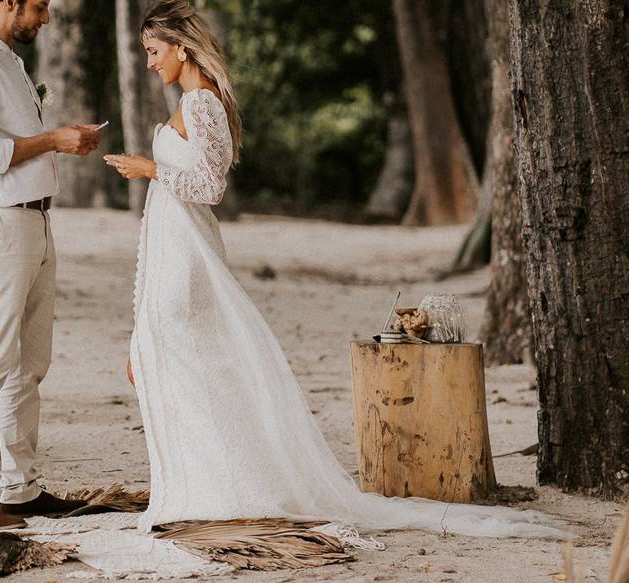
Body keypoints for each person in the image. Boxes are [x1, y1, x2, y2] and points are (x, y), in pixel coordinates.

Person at [105, 0, 561, 539]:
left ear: (182, 47)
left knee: (191, 368)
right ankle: (201, 485)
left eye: (155, 52)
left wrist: (150, 168)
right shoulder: (194, 100)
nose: (151, 63)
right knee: (185, 370)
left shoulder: (201, 104)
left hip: (186, 259)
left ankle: (215, 489)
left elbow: (210, 187)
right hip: (172, 251)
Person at [0, 0, 100, 530]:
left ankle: (20, 488)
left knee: (29, 363)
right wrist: (54, 139)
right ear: (7, 2)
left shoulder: (9, 58)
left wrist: (59, 141)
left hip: (33, 221)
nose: (46, 18)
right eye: (38, 6)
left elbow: (12, 143)